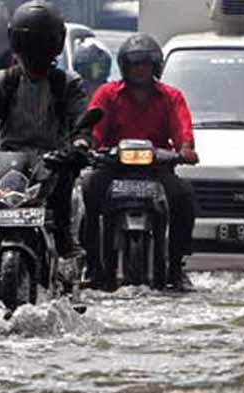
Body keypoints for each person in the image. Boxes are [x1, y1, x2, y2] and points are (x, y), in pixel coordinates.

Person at [0, 0, 89, 264]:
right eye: (30, 43)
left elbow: (80, 121)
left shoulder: (67, 83)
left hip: (53, 158)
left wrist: (81, 145)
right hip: (9, 160)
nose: (35, 52)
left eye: (42, 43)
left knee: (66, 178)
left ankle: (63, 235)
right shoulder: (0, 82)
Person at [83, 33, 199, 291]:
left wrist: (185, 150)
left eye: (145, 63)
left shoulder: (172, 97)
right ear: (124, 66)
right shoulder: (107, 94)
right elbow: (94, 131)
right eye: (134, 64)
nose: (140, 70)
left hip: (156, 168)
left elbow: (183, 131)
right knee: (87, 190)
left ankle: (177, 264)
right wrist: (89, 146)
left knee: (184, 196)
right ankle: (91, 263)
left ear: (155, 66)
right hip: (113, 167)